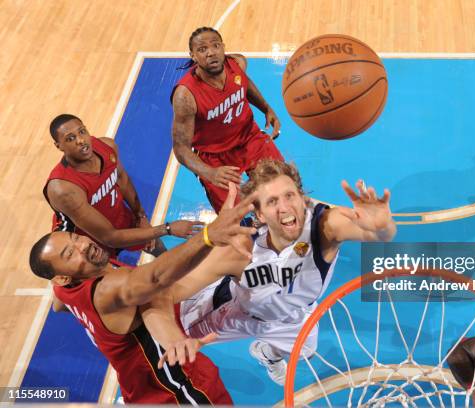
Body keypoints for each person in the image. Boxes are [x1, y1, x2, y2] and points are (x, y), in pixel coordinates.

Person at [164, 159, 396, 385]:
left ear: (302, 198)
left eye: (289, 195)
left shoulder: (324, 227)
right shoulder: (239, 249)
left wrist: (381, 227)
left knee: (306, 349)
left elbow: (377, 234)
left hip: (293, 315)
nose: (284, 207)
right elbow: (166, 293)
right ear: (261, 214)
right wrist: (172, 337)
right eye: (272, 201)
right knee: (173, 341)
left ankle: (266, 353)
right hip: (237, 315)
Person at [29, 184, 256, 404]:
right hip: (177, 391)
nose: (83, 245)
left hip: (141, 393)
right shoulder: (105, 291)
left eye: (76, 237)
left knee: (228, 258)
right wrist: (209, 235)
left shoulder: (65, 288)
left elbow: (58, 305)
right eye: (70, 253)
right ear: (62, 277)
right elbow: (155, 278)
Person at [45, 114, 200, 258]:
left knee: (155, 244)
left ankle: (173, 267)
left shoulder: (106, 146)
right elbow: (109, 237)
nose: (81, 140)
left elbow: (122, 178)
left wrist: (141, 217)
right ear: (59, 146)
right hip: (87, 240)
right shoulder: (63, 189)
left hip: (119, 216)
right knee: (117, 280)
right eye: (70, 138)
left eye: (82, 131)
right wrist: (167, 229)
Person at [171, 26, 284, 213]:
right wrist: (210, 173)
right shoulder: (185, 96)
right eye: (202, 49)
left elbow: (244, 83)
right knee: (233, 214)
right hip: (215, 157)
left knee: (281, 184)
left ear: (223, 47)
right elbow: (180, 149)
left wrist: (265, 107)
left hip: (249, 137)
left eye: (215, 46)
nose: (211, 53)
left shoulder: (237, 63)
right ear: (193, 56)